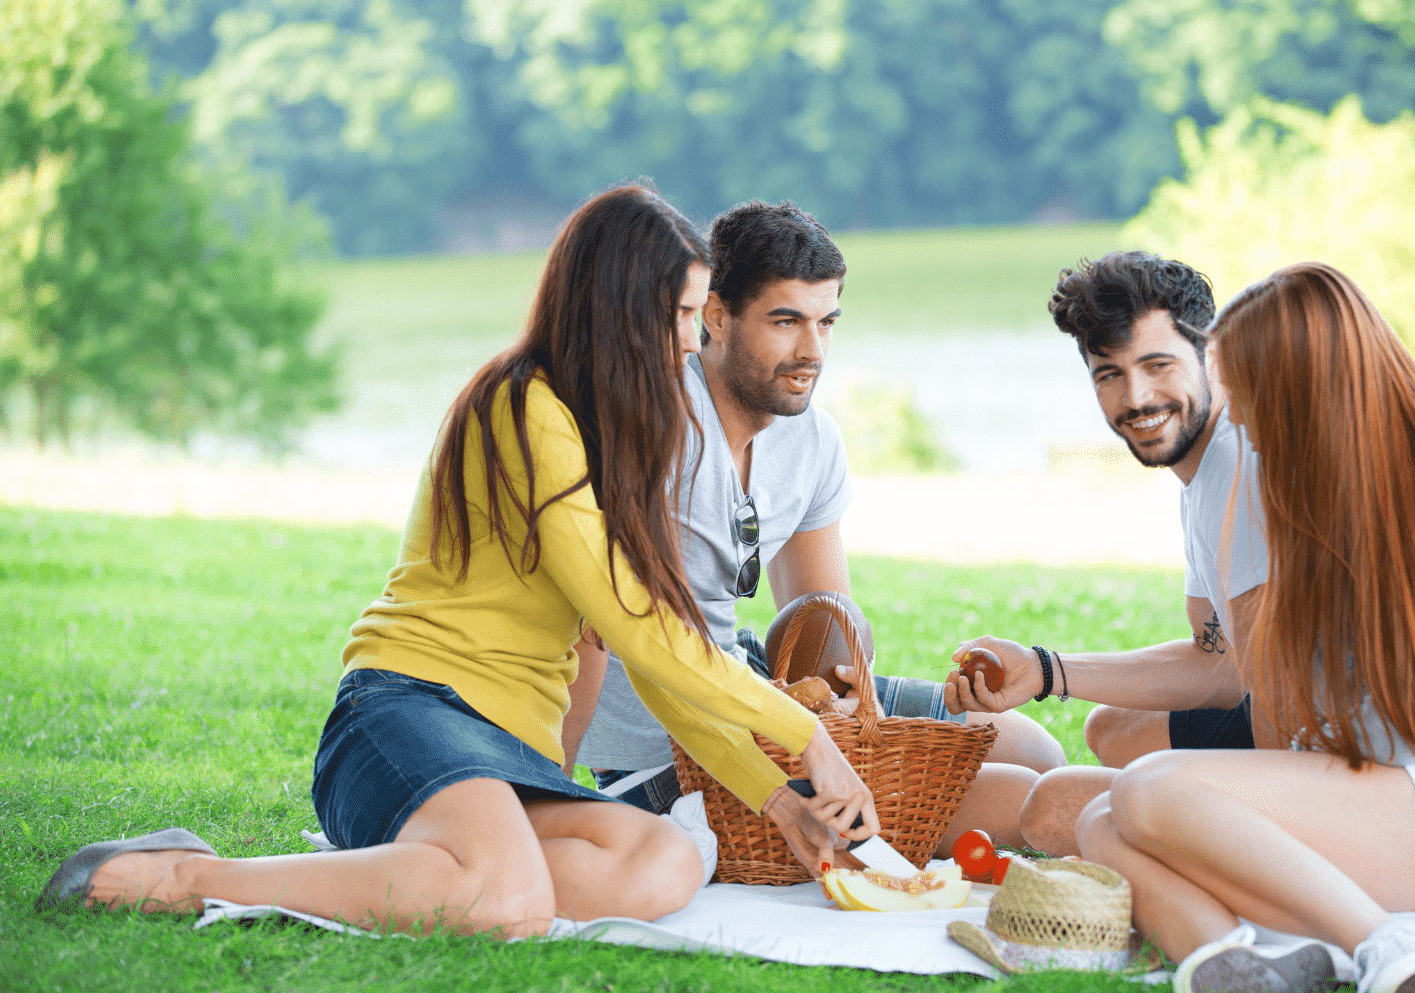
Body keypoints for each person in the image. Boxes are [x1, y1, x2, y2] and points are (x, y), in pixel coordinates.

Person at [35, 184, 878, 936]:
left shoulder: (618, 442)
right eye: (680, 315)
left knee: (661, 864)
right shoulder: (524, 407)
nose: (692, 342)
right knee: (506, 907)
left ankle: (435, 872)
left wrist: (772, 797)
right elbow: (645, 627)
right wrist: (806, 737)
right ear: (620, 311)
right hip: (407, 709)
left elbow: (646, 658)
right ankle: (178, 877)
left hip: (504, 753)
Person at [951, 262, 1415, 993]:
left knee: (1154, 789)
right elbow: (1250, 677)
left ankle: (1384, 943)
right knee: (1103, 817)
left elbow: (1399, 724)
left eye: (1253, 403)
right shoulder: (1338, 496)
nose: (1244, 429)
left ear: (1308, 389)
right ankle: (1238, 957)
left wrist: (1260, 784)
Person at [568, 199, 1063, 853]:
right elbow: (597, 634)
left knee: (1033, 748)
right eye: (785, 321)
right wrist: (551, 783)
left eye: (827, 321)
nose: (812, 350)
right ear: (715, 316)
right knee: (1028, 803)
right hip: (676, 753)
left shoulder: (813, 441)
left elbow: (823, 619)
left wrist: (854, 713)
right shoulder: (655, 427)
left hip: (765, 691)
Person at [945, 251, 1268, 856]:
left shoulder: (1242, 468)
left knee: (1053, 808)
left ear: (1213, 355)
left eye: (1157, 364)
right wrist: (1044, 670)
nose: (1137, 397)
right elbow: (1218, 663)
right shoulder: (1204, 475)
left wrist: (1175, 800)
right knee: (1112, 728)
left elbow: (1266, 691)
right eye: (1109, 374)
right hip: (1281, 717)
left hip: (1332, 750)